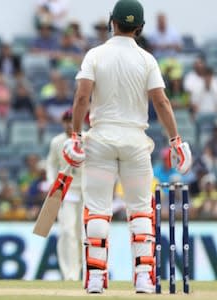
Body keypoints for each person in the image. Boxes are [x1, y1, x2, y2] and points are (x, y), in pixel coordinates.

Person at [62, 0, 192, 294]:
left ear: (112, 22)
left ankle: (96, 278)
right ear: (141, 27)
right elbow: (161, 102)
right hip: (135, 142)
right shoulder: (147, 59)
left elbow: (82, 98)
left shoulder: (95, 55)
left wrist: (75, 135)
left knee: (96, 210)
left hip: (101, 140)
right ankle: (144, 277)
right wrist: (176, 140)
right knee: (141, 211)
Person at [46, 110, 82, 281]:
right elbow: (51, 164)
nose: (68, 124)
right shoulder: (57, 142)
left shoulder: (87, 139)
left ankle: (80, 270)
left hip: (85, 191)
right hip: (64, 188)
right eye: (66, 121)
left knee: (82, 233)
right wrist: (51, 182)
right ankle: (70, 274)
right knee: (67, 231)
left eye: (72, 121)